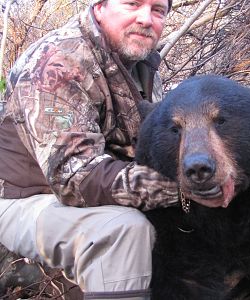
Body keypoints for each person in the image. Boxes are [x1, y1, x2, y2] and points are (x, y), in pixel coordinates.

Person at [0, 0, 177, 299]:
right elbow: (75, 178)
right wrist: (180, 189)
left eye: (158, 9)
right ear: (99, 7)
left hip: (94, 197)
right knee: (123, 231)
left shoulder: (143, 68)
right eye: (132, 3)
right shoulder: (57, 62)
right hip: (27, 199)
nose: (146, 18)